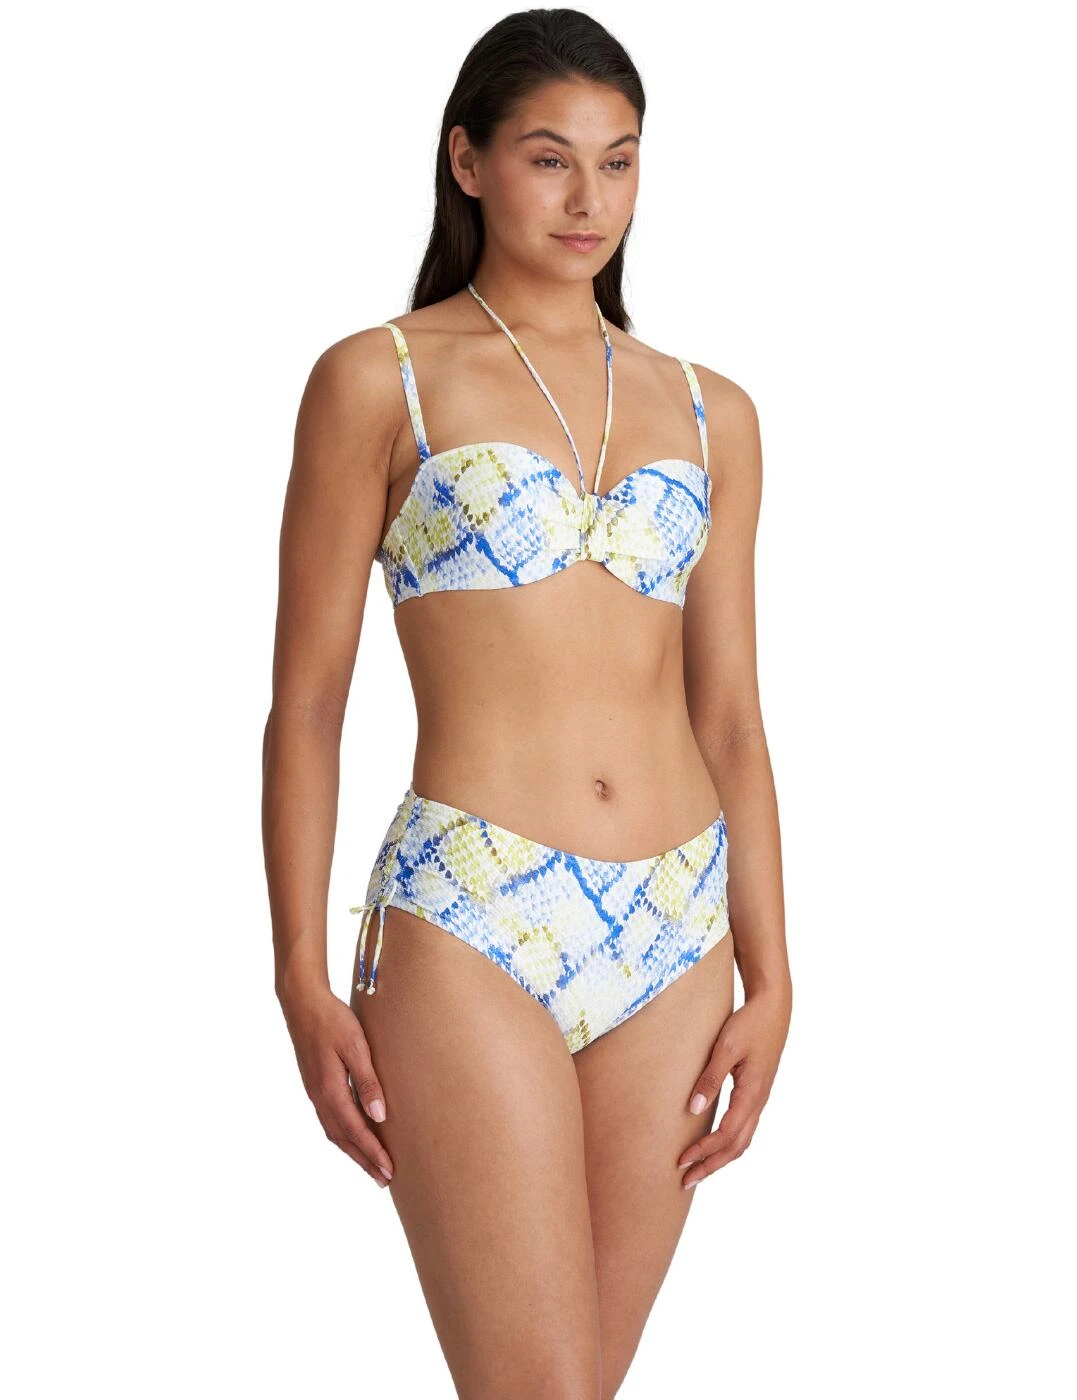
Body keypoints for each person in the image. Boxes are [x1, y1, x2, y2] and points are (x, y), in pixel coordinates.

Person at [262, 8, 792, 1396]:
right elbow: (307, 703)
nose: (588, 200)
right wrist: (298, 976)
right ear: (468, 162)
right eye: (550, 159)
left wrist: (775, 972)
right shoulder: (379, 379)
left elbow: (732, 715)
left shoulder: (713, 411)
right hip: (471, 912)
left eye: (619, 162)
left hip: (678, 926)